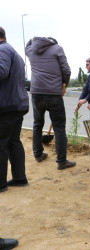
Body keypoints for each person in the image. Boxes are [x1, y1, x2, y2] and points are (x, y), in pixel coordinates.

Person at [25, 36, 76, 170]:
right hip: (53, 93)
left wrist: (33, 40)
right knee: (59, 127)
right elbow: (67, 70)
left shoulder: (32, 51)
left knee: (37, 124)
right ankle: (61, 161)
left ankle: (38, 154)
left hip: (36, 93)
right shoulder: (57, 49)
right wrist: (64, 83)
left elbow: (27, 46)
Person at [0, 26, 29, 192]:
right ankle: (19, 178)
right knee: (13, 142)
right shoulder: (13, 52)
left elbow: (1, 71)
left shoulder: (2, 50)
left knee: (1, 144)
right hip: (17, 105)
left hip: (7, 106)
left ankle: (1, 184)